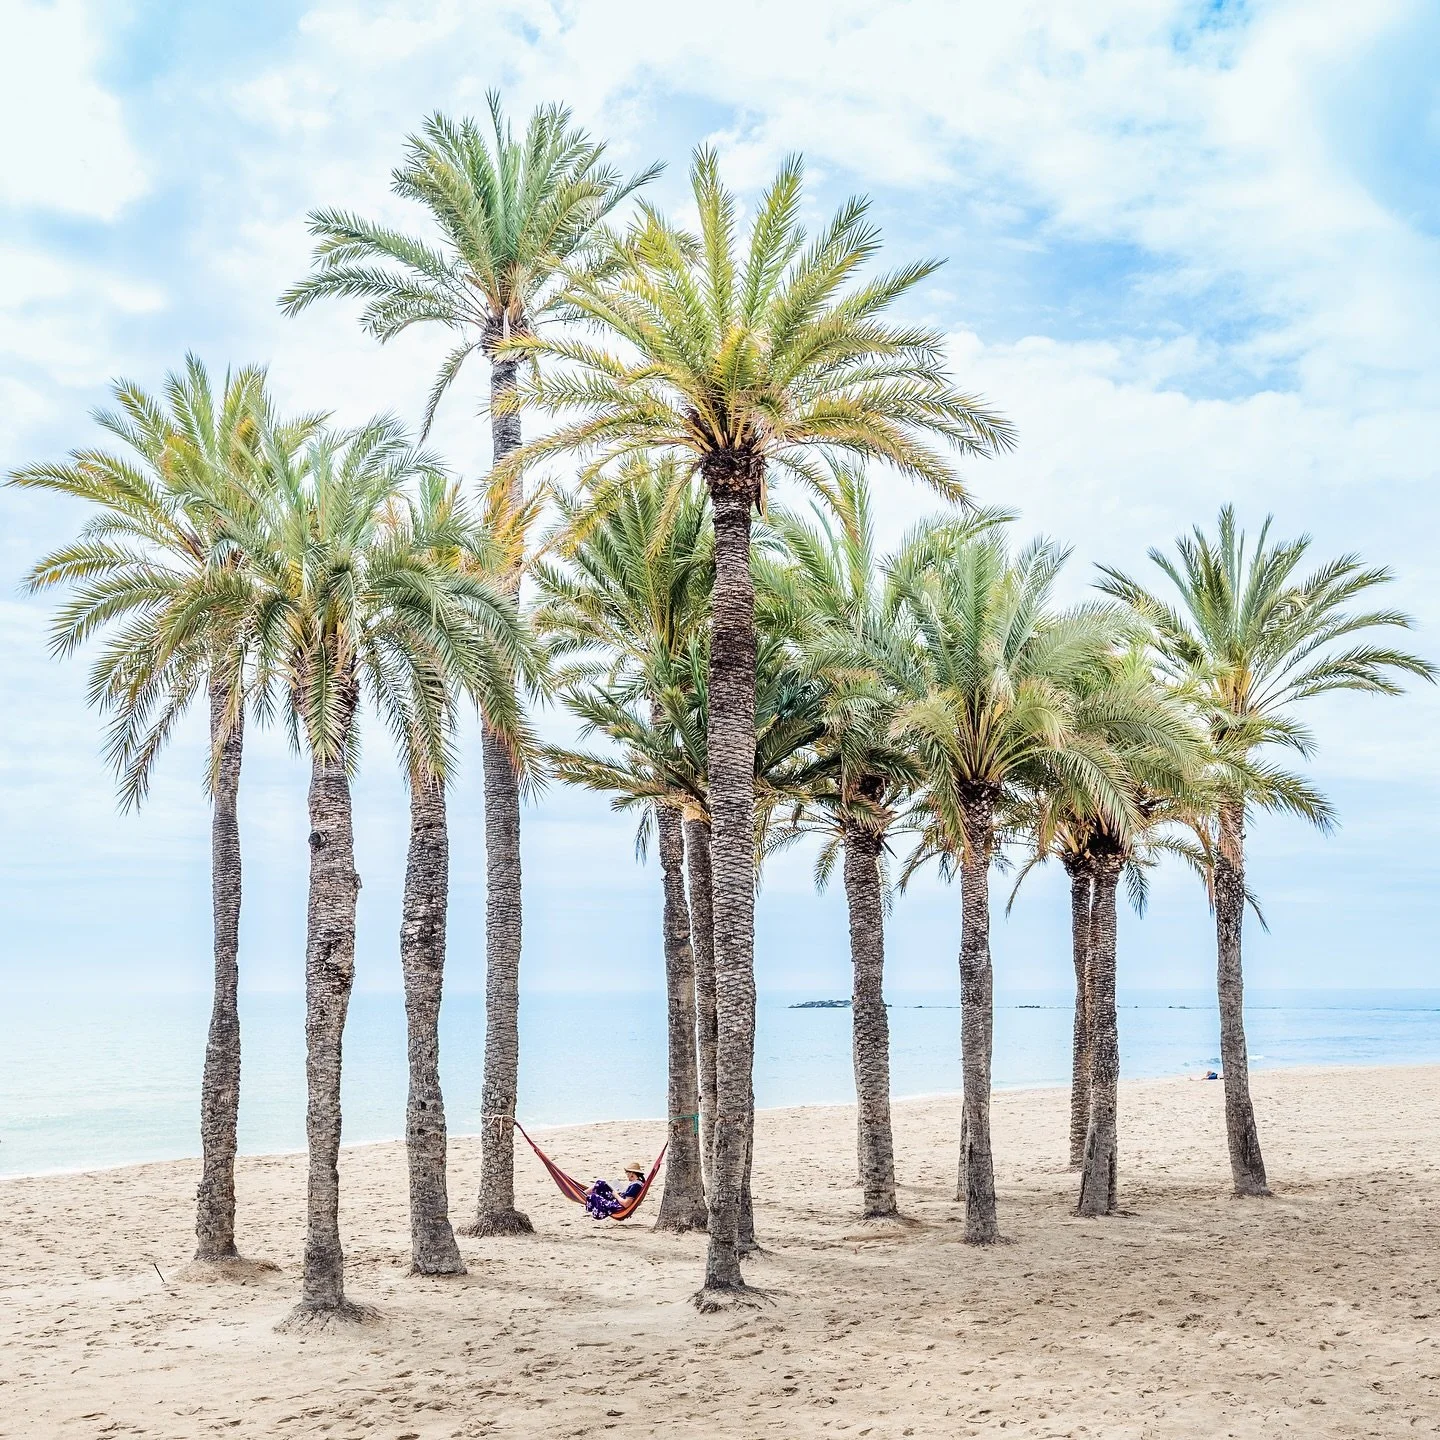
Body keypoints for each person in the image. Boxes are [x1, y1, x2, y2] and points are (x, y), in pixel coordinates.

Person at [584, 1160, 648, 1220]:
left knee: (593, 1196)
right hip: (618, 1200)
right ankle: (583, 1193)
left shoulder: (635, 1186)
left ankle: (582, 1195)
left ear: (631, 1173)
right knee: (601, 1183)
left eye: (627, 1172)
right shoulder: (638, 1183)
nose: (626, 1175)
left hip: (617, 1206)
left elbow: (626, 1204)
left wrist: (615, 1194)